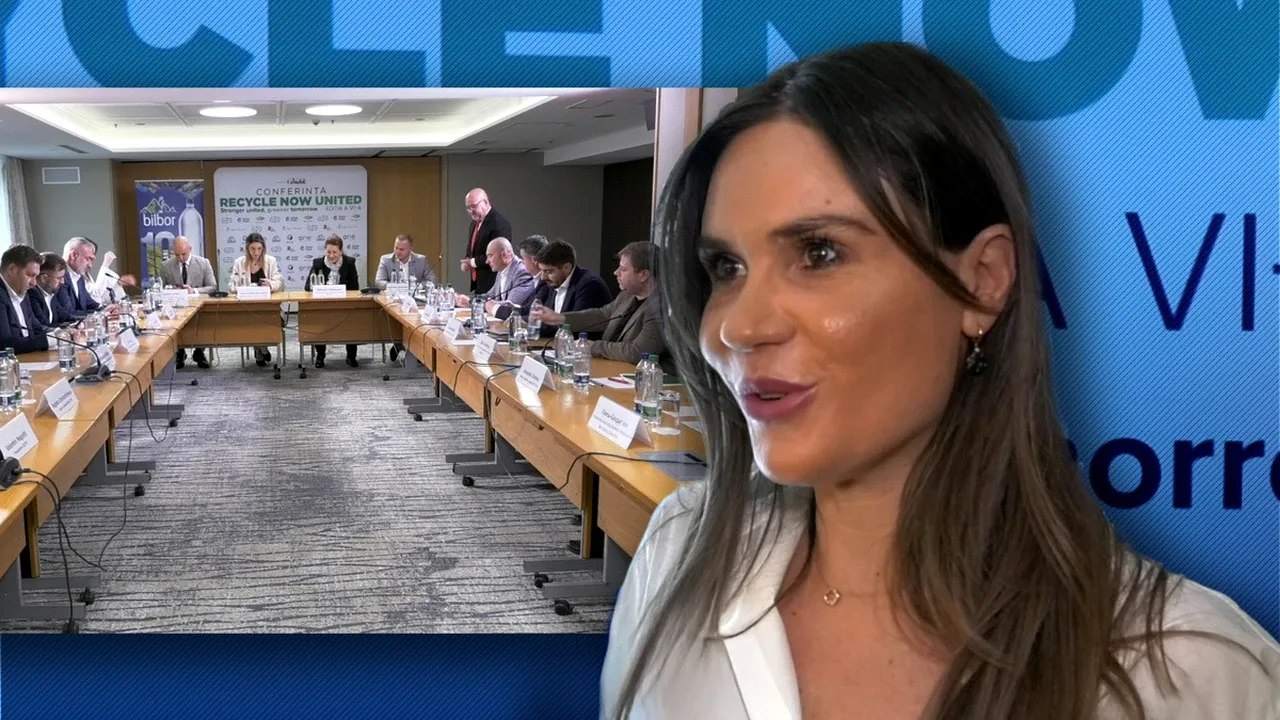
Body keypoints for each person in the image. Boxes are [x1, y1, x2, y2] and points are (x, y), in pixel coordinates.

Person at [599, 43, 1280, 719]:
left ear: (982, 281)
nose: (740, 326)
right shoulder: (677, 552)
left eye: (820, 253)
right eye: (726, 268)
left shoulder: (1191, 672)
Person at [532, 241, 662, 364]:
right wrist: (559, 318)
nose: (616, 272)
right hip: (611, 365)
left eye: (623, 269)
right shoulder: (627, 295)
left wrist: (593, 346)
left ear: (643, 275)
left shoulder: (660, 308)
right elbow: (603, 315)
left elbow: (637, 352)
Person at [522, 239, 611, 339]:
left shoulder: (589, 285)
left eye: (548, 271)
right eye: (542, 271)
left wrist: (529, 326)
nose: (543, 277)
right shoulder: (552, 282)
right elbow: (537, 315)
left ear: (567, 267)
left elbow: (575, 328)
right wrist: (524, 322)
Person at [158, 236, 217, 369]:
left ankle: (199, 352)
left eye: (183, 254)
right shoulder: (166, 266)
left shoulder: (203, 263)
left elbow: (213, 287)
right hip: (176, 308)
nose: (180, 258)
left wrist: (194, 291)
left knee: (204, 320)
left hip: (199, 307)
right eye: (177, 255)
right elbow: (161, 290)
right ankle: (179, 352)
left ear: (190, 249)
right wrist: (171, 290)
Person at [304, 235, 361, 368]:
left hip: (344, 305)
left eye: (334, 252)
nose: (331, 255)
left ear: (341, 251)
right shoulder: (318, 263)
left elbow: (354, 288)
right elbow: (307, 287)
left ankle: (351, 356)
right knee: (318, 321)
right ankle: (320, 355)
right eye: (328, 252)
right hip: (323, 305)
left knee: (352, 321)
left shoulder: (349, 263)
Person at [230, 232, 284, 367]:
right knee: (252, 319)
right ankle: (263, 349)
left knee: (262, 319)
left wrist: (270, 284)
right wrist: (246, 288)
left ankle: (260, 350)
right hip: (248, 307)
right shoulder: (239, 263)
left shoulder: (270, 261)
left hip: (268, 306)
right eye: (253, 249)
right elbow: (231, 287)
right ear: (247, 248)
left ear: (263, 248)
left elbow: (279, 282)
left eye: (259, 249)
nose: (256, 252)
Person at [454, 237, 534, 311]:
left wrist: (471, 302)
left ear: (504, 255)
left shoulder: (522, 272)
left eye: (490, 256)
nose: (487, 261)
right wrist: (466, 299)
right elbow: (489, 296)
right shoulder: (501, 269)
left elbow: (509, 306)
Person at [460, 188, 512, 294]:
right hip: (478, 283)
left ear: (485, 202)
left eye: (474, 206)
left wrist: (472, 262)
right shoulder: (474, 223)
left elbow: (498, 256)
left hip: (494, 284)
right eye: (468, 207)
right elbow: (471, 247)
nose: (471, 211)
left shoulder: (498, 222)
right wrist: (467, 260)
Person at [0, 245, 50, 354]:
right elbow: (4, 344)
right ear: (12, 270)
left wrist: (59, 333)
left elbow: (36, 328)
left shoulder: (22, 291)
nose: (34, 283)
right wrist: (48, 341)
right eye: (30, 275)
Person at [492, 235, 548, 321]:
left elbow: (532, 314)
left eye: (523, 258)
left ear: (534, 260)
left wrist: (494, 308)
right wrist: (516, 307)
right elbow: (527, 309)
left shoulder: (546, 282)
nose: (522, 262)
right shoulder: (536, 280)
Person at [57, 236, 107, 318]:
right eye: (88, 259)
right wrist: (101, 313)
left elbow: (90, 304)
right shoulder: (59, 277)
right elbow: (68, 313)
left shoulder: (79, 277)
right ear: (74, 255)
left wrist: (106, 309)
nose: (90, 265)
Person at [25, 253, 73, 331]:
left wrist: (78, 323)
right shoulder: (32, 294)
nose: (63, 282)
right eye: (59, 278)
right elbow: (42, 325)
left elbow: (66, 316)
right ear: (44, 278)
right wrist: (67, 328)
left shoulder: (50, 293)